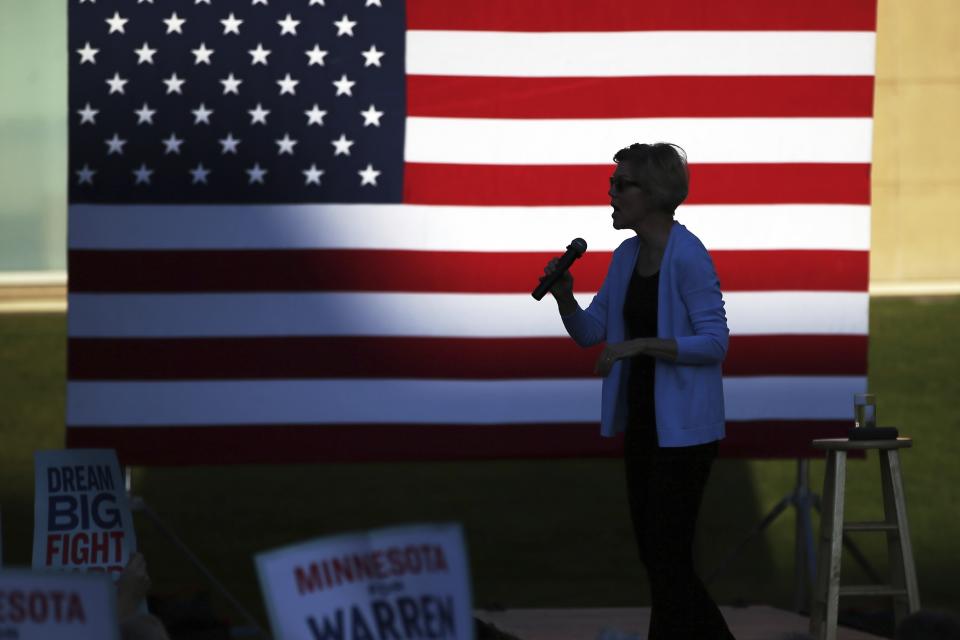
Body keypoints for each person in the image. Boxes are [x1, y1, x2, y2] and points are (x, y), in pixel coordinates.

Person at [541, 142, 735, 639]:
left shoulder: (687, 256)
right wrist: (565, 299)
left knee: (668, 559)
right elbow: (591, 333)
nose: (611, 193)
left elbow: (714, 342)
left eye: (620, 184)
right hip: (646, 424)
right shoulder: (626, 256)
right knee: (659, 560)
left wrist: (640, 345)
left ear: (653, 193)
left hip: (686, 433)